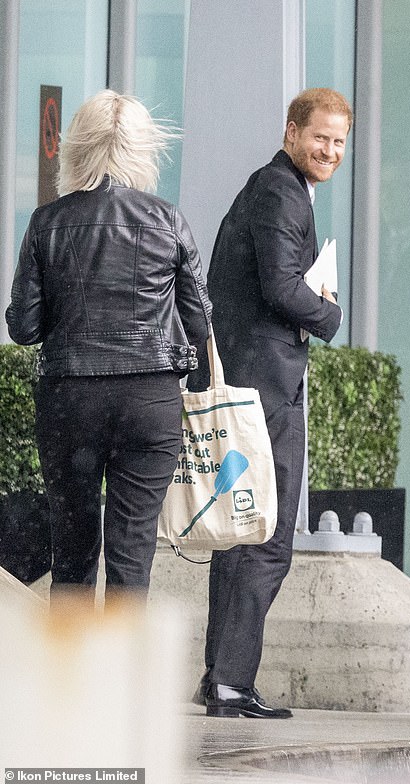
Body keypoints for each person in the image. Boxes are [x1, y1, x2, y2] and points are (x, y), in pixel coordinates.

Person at [5, 90, 212, 607]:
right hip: (150, 405)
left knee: (72, 558)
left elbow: (23, 328)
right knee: (132, 555)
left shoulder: (46, 222)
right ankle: (122, 686)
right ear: (143, 151)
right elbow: (201, 320)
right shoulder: (167, 219)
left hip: (70, 403)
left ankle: (69, 687)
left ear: (77, 149)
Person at [189, 87, 352, 718]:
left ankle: (220, 678)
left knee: (240, 536)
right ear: (291, 132)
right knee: (267, 540)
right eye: (320, 138)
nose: (330, 151)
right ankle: (230, 682)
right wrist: (330, 314)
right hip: (264, 395)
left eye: (339, 142)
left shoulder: (276, 187)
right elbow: (280, 285)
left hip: (250, 386)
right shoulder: (281, 191)